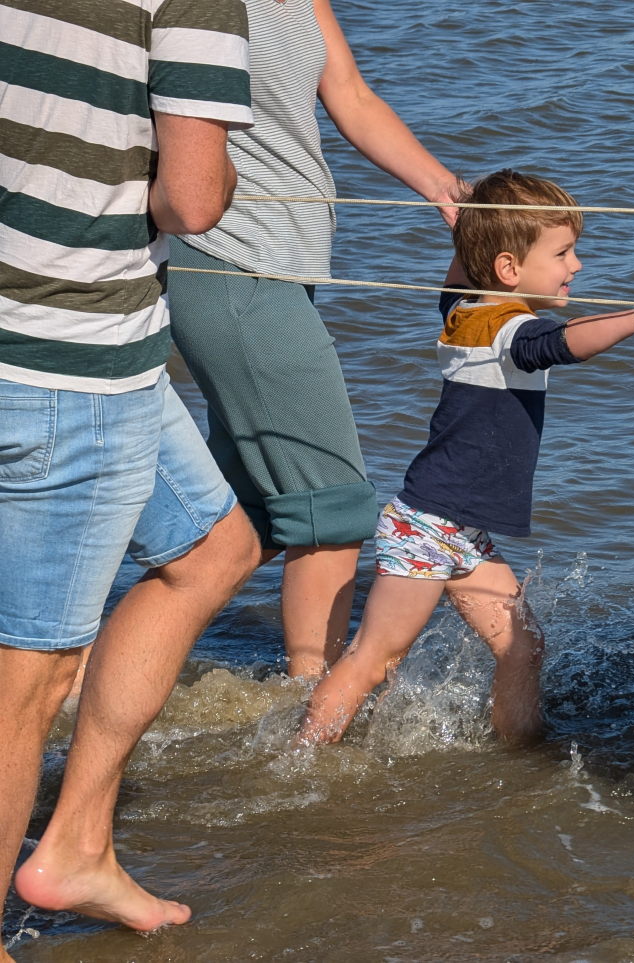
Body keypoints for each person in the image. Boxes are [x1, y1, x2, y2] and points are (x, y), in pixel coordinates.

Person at [0, 0, 261, 949]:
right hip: (73, 361)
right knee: (30, 675)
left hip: (85, 351)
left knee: (215, 548)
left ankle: (76, 845)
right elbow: (191, 203)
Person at [295, 169, 634, 747]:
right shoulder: (507, 329)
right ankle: (300, 759)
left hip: (460, 527)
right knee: (373, 658)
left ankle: (523, 752)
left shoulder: (465, 307)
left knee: (523, 647)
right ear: (508, 269)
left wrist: (473, 215)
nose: (575, 265)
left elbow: (468, 270)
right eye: (563, 253)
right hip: (429, 525)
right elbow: (559, 343)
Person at [166, 0, 467, 680]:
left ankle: (79, 663)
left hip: (286, 262)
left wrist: (449, 191)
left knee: (241, 522)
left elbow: (353, 96)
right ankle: (313, 709)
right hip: (225, 258)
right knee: (331, 503)